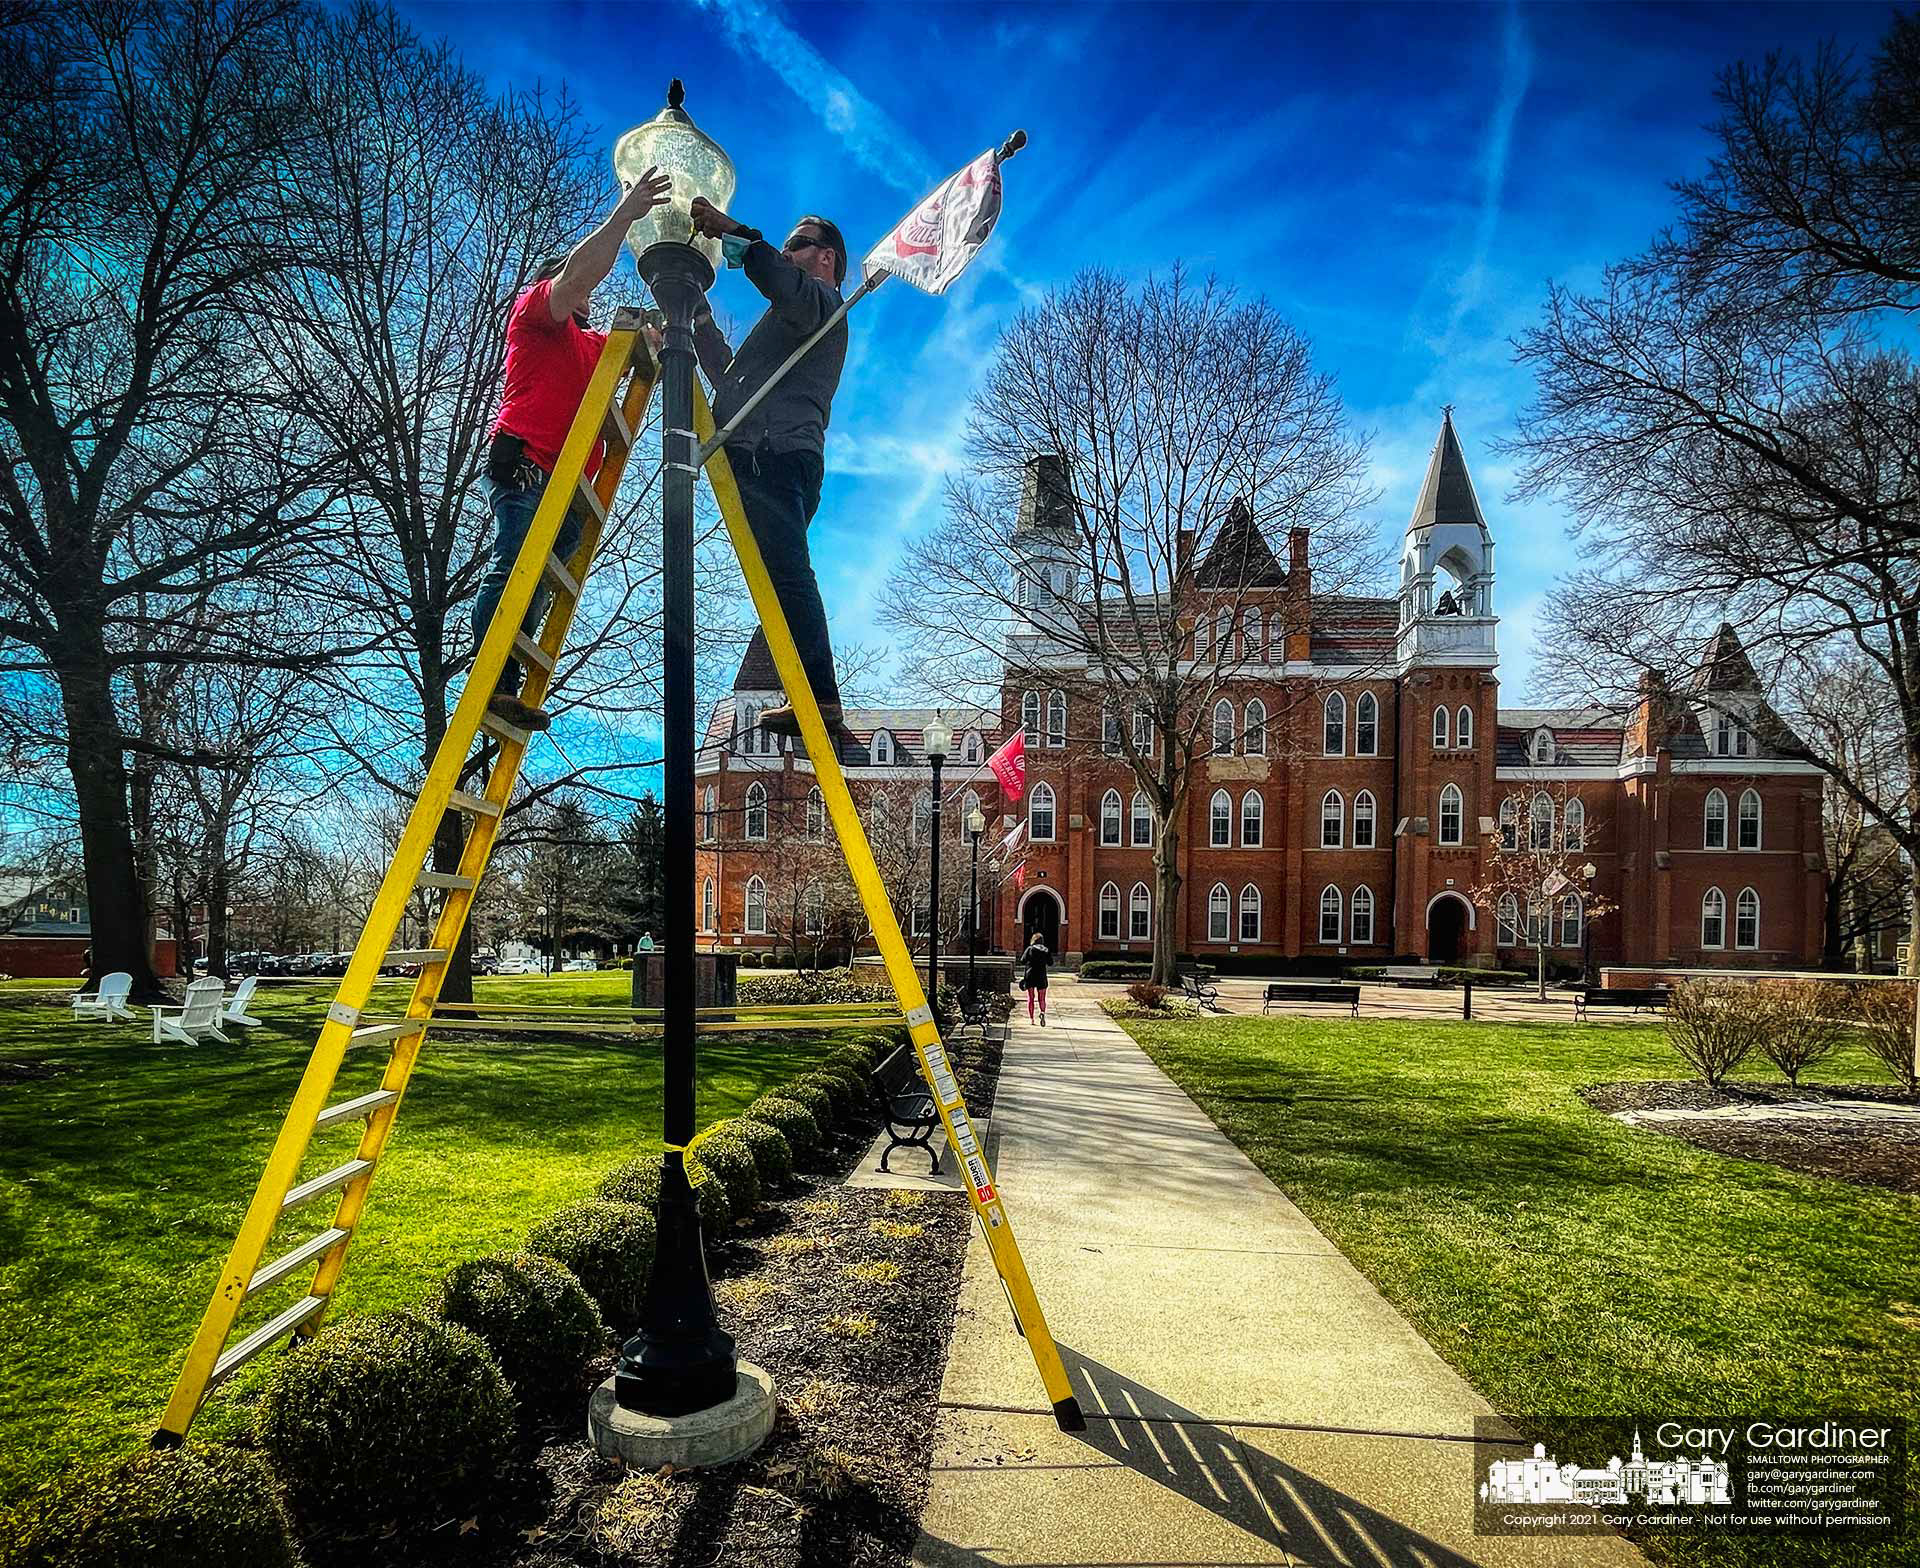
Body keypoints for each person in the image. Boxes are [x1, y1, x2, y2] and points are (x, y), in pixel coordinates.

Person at [473, 168, 673, 733]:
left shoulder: (592, 344)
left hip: (567, 486)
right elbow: (581, 274)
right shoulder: (536, 316)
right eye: (577, 283)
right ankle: (491, 683)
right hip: (526, 464)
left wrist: (653, 341)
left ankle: (507, 678)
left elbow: (635, 349)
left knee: (541, 580)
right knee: (514, 564)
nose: (587, 293)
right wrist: (626, 215)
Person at [687, 196, 851, 739]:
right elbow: (732, 380)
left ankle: (821, 699)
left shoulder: (824, 306)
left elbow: (784, 284)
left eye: (795, 245)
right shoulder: (792, 319)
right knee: (778, 581)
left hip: (775, 455)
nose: (785, 252)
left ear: (826, 259)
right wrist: (700, 321)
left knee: (788, 575)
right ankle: (809, 694)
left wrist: (740, 233)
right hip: (761, 450)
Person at [1018, 933, 1050, 1026]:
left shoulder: (1030, 949)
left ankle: (1031, 1019)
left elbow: (1022, 961)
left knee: (1031, 998)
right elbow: (1050, 962)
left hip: (1030, 975)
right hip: (1041, 976)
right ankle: (1042, 1013)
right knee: (1042, 998)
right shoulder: (1046, 950)